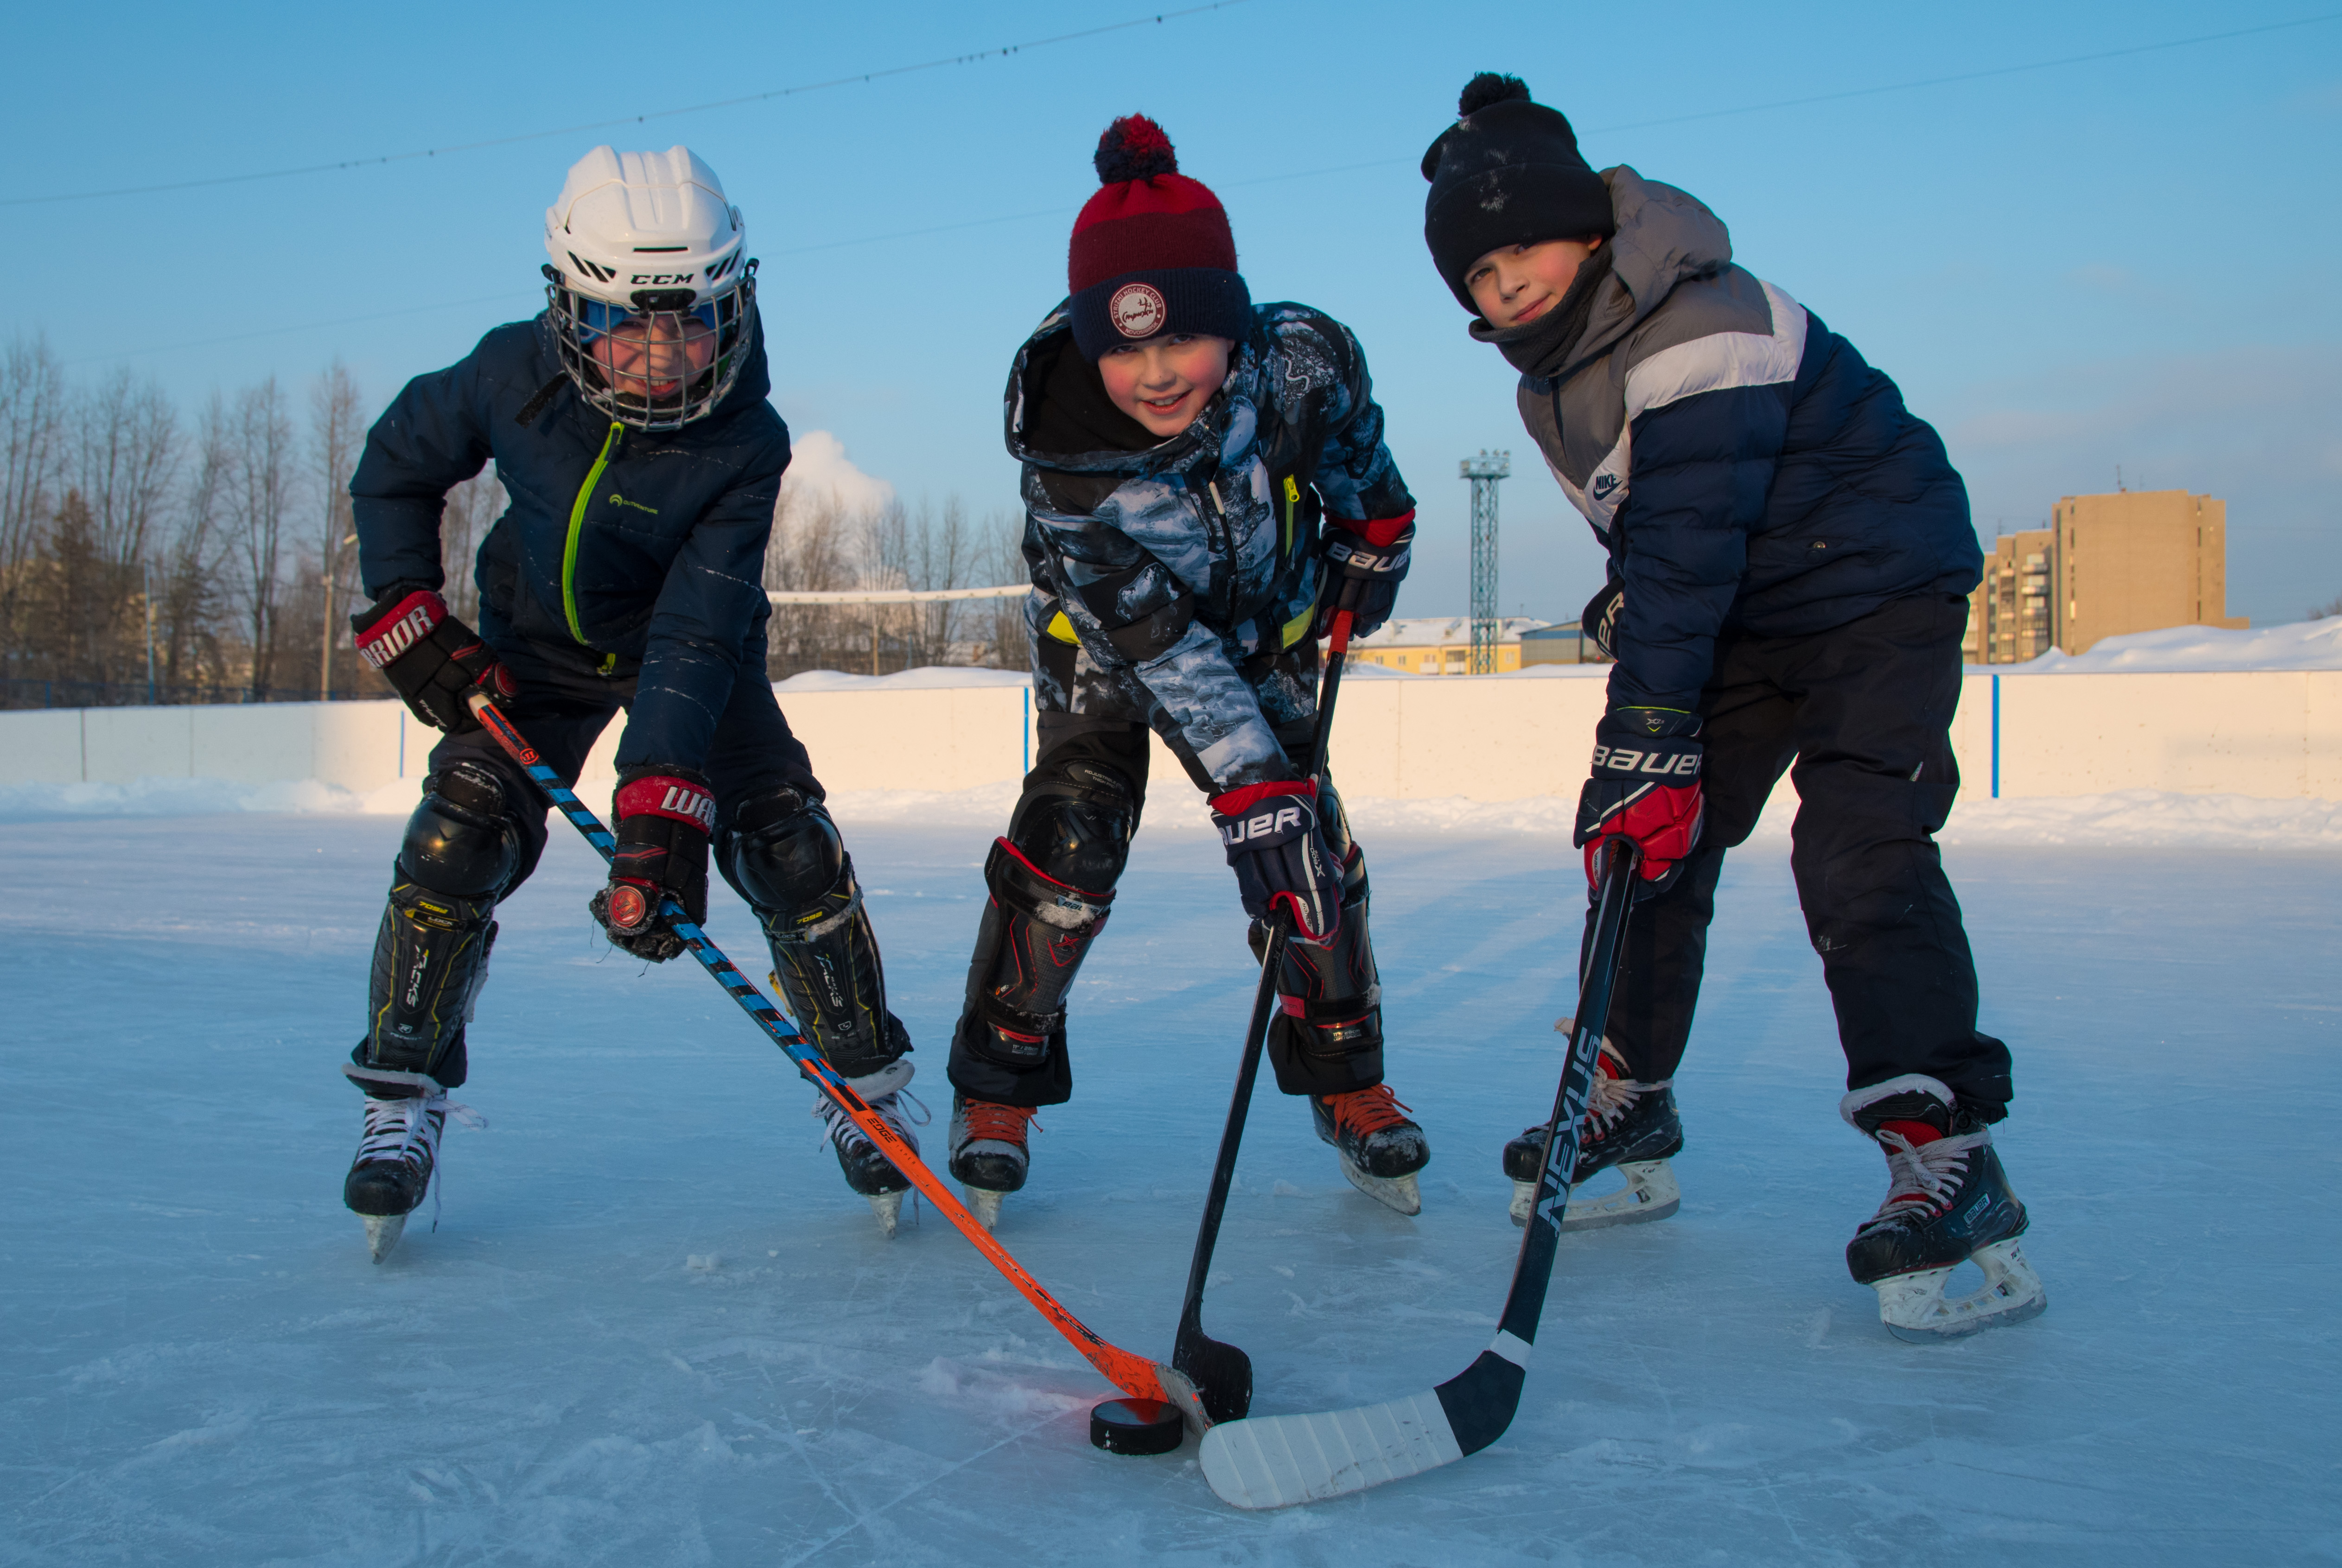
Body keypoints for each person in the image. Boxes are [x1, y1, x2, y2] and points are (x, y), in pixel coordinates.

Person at [1421, 75, 2043, 1339]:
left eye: (1522, 250)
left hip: (1874, 588)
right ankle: (1630, 1090)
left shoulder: (1696, 318)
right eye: (1477, 276)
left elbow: (1695, 534)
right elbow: (1667, 534)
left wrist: (1644, 724)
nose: (1505, 288)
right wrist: (1633, 644)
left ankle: (1946, 1154)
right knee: (1651, 841)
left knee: (1857, 849)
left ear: (1588, 228)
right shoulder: (1556, 373)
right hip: (1753, 604)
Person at [339, 146, 925, 1259]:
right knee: (456, 833)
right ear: (567, 305)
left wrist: (659, 815)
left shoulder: (746, 441)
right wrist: (407, 614)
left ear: (734, 303)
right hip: (534, 653)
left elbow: (697, 635)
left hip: (697, 655)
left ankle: (866, 1086)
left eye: (693, 320)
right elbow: (394, 467)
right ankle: (400, 1098)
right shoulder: (509, 374)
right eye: (625, 321)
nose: (662, 355)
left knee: (787, 849)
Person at [942, 114, 1426, 1226]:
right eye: (1121, 350)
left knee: (1308, 857)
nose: (1155, 375)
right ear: (1085, 341)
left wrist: (1373, 527)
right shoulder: (1068, 469)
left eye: (1179, 344)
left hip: (1263, 635)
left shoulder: (1299, 358)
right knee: (1072, 846)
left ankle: (1348, 1081)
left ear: (1230, 325)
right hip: (1110, 654)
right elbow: (1160, 647)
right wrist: (1248, 784)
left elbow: (1352, 442)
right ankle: (997, 1088)